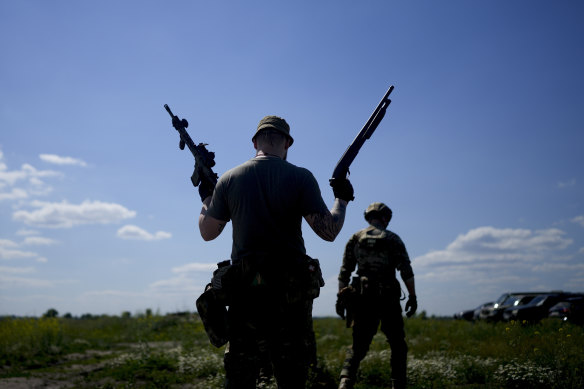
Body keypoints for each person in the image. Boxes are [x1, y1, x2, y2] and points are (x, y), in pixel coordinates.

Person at [198, 115, 354, 389]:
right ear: (288, 143)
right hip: (290, 295)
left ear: (255, 141)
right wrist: (341, 200)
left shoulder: (229, 179)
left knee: (240, 379)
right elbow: (328, 232)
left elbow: (208, 232)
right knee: (292, 377)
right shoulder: (300, 177)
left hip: (246, 294)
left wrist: (207, 199)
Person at [335, 202, 417, 389]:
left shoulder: (356, 238)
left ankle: (345, 382)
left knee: (358, 346)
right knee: (397, 344)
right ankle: (398, 384)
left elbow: (345, 272)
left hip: (362, 297)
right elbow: (406, 271)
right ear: (385, 217)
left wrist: (341, 298)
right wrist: (412, 297)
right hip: (388, 297)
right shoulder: (392, 238)